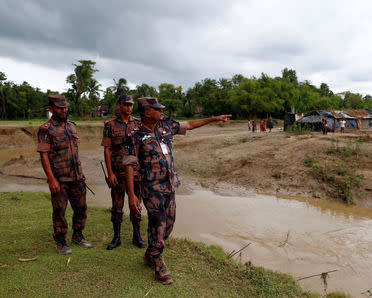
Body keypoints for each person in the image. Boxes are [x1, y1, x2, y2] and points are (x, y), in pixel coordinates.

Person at [124, 97, 230, 284]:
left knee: (169, 224)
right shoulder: (135, 136)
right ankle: (159, 263)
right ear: (147, 112)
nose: (161, 111)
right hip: (151, 188)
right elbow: (129, 167)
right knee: (158, 224)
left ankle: (150, 253)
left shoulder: (166, 127)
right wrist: (132, 196)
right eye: (157, 109)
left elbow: (189, 124)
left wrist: (214, 119)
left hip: (170, 185)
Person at [37, 95, 91, 255]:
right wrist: (51, 179)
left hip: (77, 177)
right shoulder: (46, 129)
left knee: (81, 208)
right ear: (51, 109)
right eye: (60, 108)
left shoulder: (72, 126)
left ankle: (78, 235)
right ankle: (61, 241)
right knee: (59, 211)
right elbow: (43, 155)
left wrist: (81, 174)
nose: (64, 110)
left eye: (65, 107)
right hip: (60, 179)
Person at [101, 95, 146, 250]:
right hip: (118, 173)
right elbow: (107, 149)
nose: (129, 107)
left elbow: (143, 148)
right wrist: (110, 173)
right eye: (126, 105)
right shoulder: (110, 125)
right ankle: (117, 237)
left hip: (135, 174)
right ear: (119, 105)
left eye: (131, 105)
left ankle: (137, 235)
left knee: (136, 205)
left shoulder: (138, 124)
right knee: (117, 207)